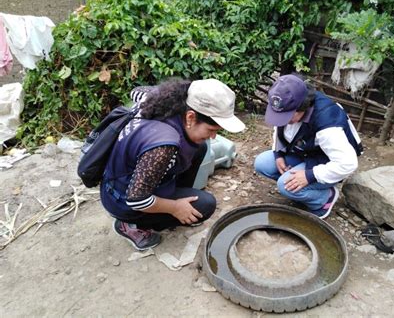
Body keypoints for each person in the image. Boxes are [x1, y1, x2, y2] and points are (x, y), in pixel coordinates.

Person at [100, 78, 245, 250]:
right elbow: (136, 200)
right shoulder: (163, 147)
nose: (214, 136)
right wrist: (175, 207)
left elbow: (136, 91)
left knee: (200, 147)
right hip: (121, 200)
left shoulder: (160, 100)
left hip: (123, 176)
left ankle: (175, 197)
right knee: (205, 206)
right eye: (211, 130)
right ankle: (130, 225)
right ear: (191, 117)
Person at [254, 74, 363, 219]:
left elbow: (347, 164)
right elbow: (278, 129)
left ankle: (324, 198)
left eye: (288, 117)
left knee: (284, 185)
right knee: (262, 163)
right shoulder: (285, 102)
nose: (283, 121)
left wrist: (309, 176)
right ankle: (300, 190)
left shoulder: (326, 122)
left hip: (325, 160)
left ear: (302, 108)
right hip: (304, 151)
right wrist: (278, 154)